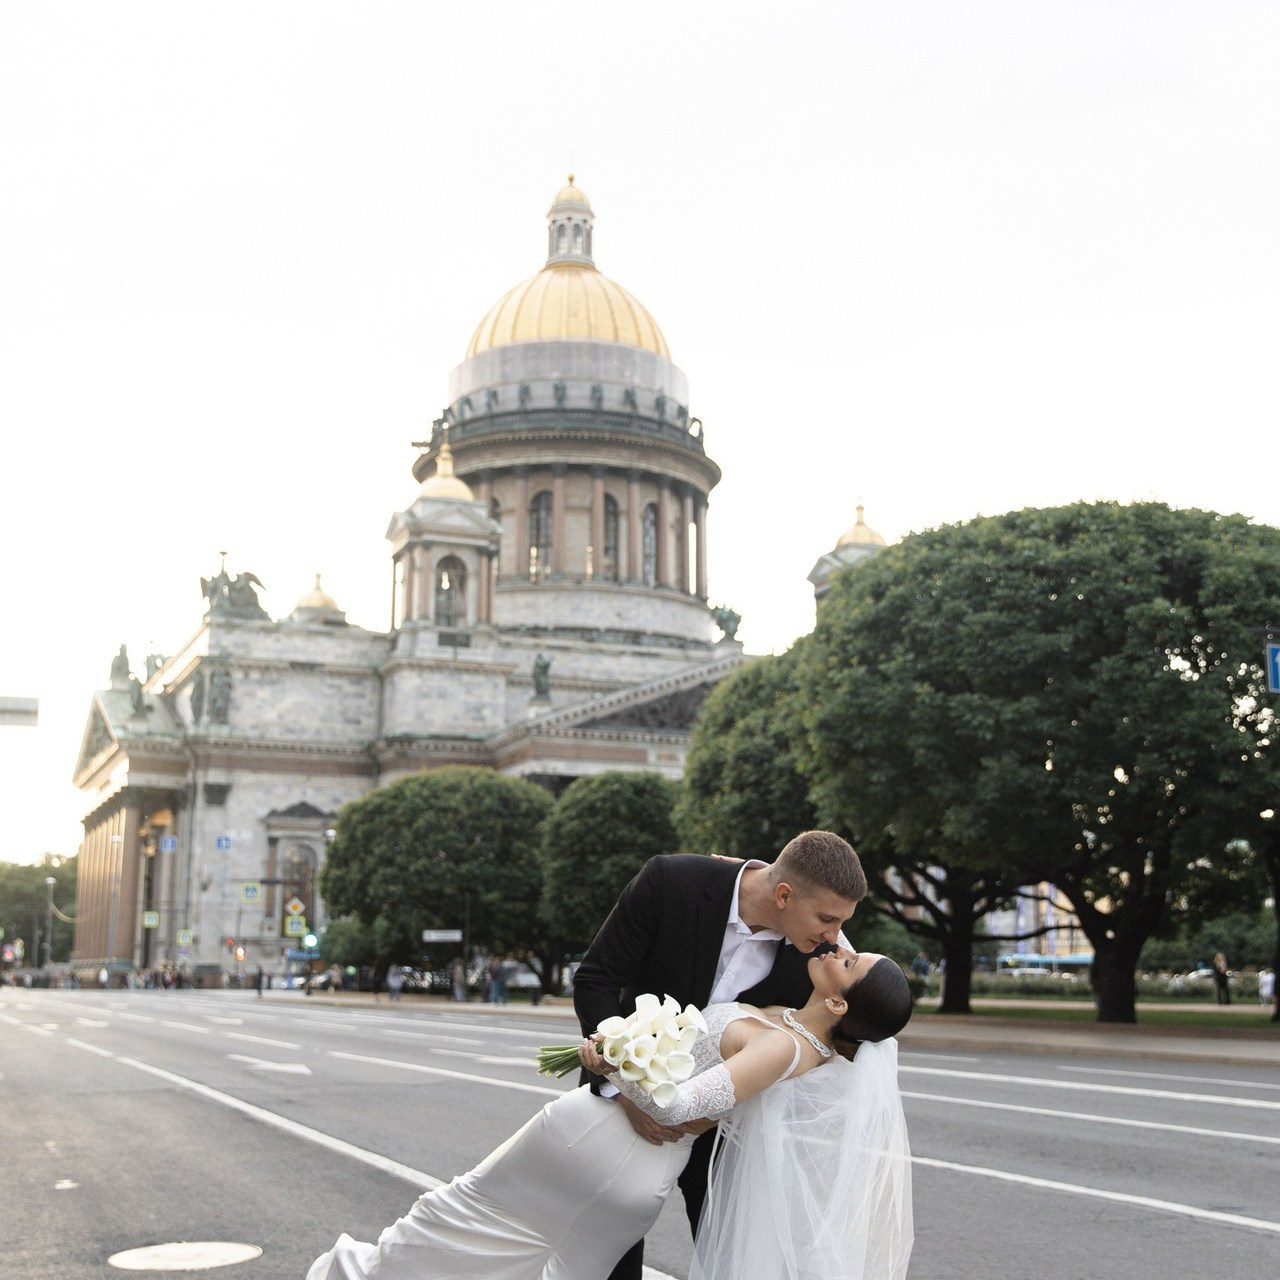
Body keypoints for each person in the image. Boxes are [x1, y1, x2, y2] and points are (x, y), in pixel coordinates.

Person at [304, 948, 913, 1280]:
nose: (839, 946)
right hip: (638, 1178)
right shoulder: (801, 1032)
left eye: (850, 961)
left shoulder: (782, 1047)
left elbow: (679, 1105)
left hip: (607, 1143)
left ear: (840, 1002)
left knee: (456, 1222)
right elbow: (845, 974)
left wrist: (610, 1061)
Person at [573, 830, 866, 1280]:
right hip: (619, 1109)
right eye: (827, 919)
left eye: (841, 922)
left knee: (730, 1262)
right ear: (783, 895)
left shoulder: (819, 957)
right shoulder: (670, 881)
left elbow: (866, 1012)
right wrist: (622, 1089)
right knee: (606, 1260)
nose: (835, 936)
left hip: (723, 1130)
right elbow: (596, 979)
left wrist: (711, 1114)